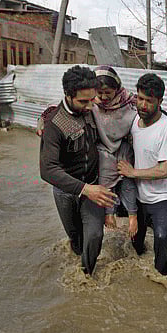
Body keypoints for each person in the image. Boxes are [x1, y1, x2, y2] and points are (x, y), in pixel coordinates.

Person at [40, 65, 116, 275]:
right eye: (84, 101)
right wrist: (85, 189)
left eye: (93, 99)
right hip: (66, 192)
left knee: (94, 236)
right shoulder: (54, 124)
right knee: (76, 239)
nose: (91, 106)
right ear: (67, 95)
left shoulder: (93, 108)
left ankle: (86, 276)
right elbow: (47, 169)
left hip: (93, 185)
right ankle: (77, 261)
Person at [117, 73, 167, 276]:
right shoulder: (135, 120)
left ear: (160, 101)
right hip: (139, 195)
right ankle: (139, 263)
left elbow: (164, 170)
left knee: (161, 237)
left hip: (163, 196)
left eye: (149, 101)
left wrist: (132, 172)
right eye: (140, 98)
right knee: (136, 239)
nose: (142, 105)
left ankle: (162, 276)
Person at [92, 66, 138, 238]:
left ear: (117, 88)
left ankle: (132, 215)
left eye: (108, 92)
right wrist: (43, 119)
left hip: (124, 145)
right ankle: (109, 213)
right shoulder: (90, 101)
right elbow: (60, 105)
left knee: (127, 177)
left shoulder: (128, 101)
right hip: (103, 147)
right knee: (105, 179)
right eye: (99, 92)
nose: (103, 97)